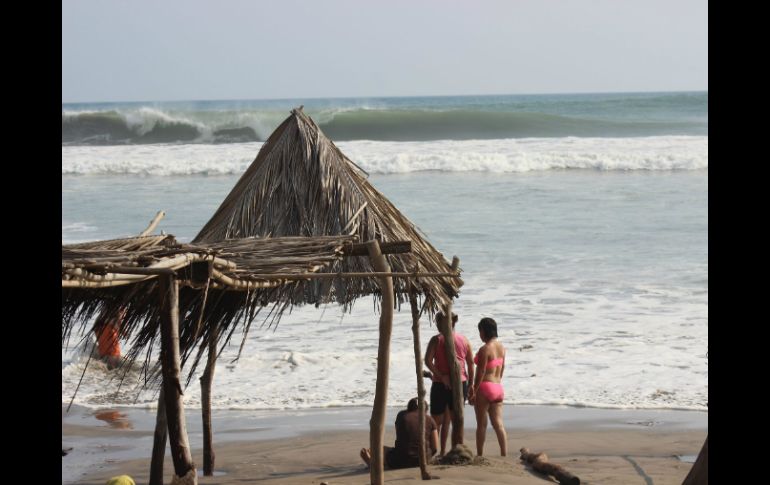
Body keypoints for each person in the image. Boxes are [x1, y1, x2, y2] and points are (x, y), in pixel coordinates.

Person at [424, 311, 474, 455]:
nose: (437, 325)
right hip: (461, 382)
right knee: (456, 420)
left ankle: (435, 451)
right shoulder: (464, 339)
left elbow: (427, 361)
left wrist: (440, 375)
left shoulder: (437, 340)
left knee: (436, 422)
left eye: (438, 322)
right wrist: (471, 383)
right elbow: (470, 364)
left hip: (441, 383)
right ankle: (455, 451)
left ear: (448, 323)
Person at [360, 397, 438, 469]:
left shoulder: (402, 415)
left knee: (377, 449)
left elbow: (400, 437)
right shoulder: (430, 419)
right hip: (424, 460)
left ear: (408, 408)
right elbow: (435, 448)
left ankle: (373, 463)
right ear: (425, 410)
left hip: (400, 460)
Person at [469, 317, 508, 456]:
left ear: (484, 331)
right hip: (498, 387)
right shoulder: (502, 348)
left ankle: (480, 455)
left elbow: (480, 372)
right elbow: (502, 369)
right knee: (498, 424)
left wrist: (473, 389)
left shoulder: (485, 349)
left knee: (482, 425)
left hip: (485, 387)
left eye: (480, 331)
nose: (479, 335)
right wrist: (496, 384)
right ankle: (504, 454)